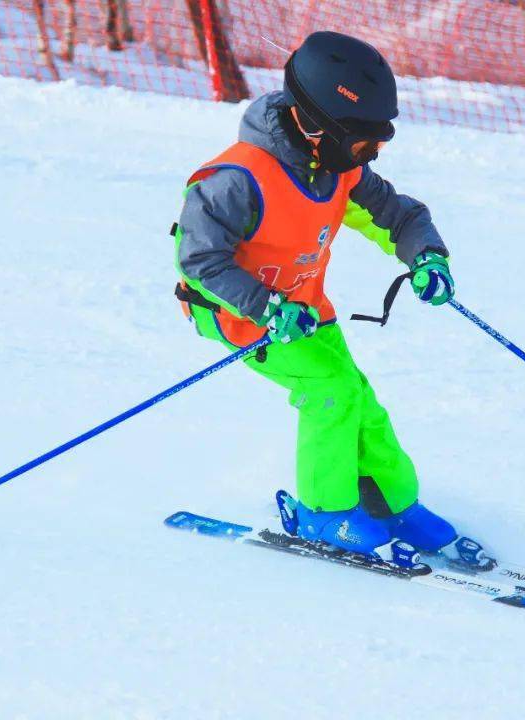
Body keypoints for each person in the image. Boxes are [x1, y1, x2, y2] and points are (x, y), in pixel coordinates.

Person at [173, 31, 490, 569]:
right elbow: (198, 260)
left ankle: (391, 505)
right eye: (363, 143)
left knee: (360, 399)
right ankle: (323, 512)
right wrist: (265, 306)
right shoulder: (236, 179)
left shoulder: (337, 169)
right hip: (238, 313)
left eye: (378, 144)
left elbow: (400, 217)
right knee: (332, 392)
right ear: (313, 123)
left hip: (304, 307)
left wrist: (426, 257)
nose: (369, 155)